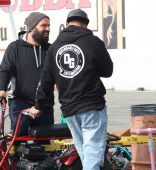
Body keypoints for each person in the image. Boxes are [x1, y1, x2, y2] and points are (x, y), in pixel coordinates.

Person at [29, 9, 113, 170]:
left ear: (67, 24)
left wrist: (39, 106)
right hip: (91, 106)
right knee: (93, 155)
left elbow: (45, 82)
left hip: (69, 110)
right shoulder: (93, 42)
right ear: (85, 24)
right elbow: (107, 71)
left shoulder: (54, 47)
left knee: (85, 154)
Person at [0, 12, 54, 137]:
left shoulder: (51, 49)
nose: (47, 29)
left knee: (44, 142)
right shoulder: (14, 47)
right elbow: (5, 70)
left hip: (44, 104)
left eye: (49, 25)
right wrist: (1, 89)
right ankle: (15, 157)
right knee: (19, 136)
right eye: (44, 25)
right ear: (32, 28)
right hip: (20, 101)